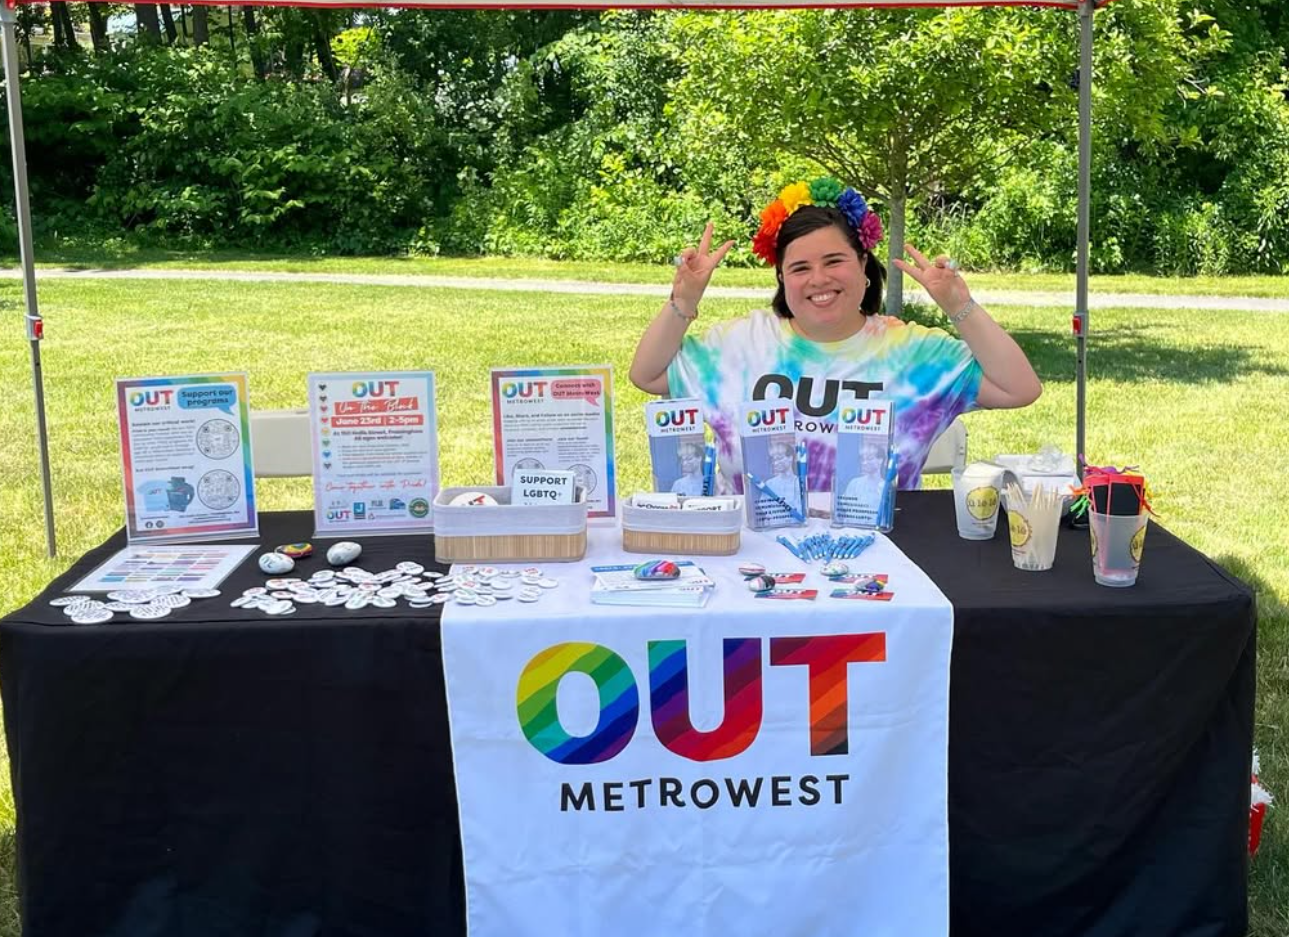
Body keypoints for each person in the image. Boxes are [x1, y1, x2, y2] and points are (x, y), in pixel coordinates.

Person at [629, 178, 1041, 493]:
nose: (818, 280)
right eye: (800, 268)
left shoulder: (915, 354)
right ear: (782, 277)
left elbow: (1020, 388)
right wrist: (682, 301)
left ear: (863, 265)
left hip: (882, 569)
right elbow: (647, 375)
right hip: (753, 569)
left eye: (834, 261)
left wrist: (958, 305)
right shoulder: (740, 345)